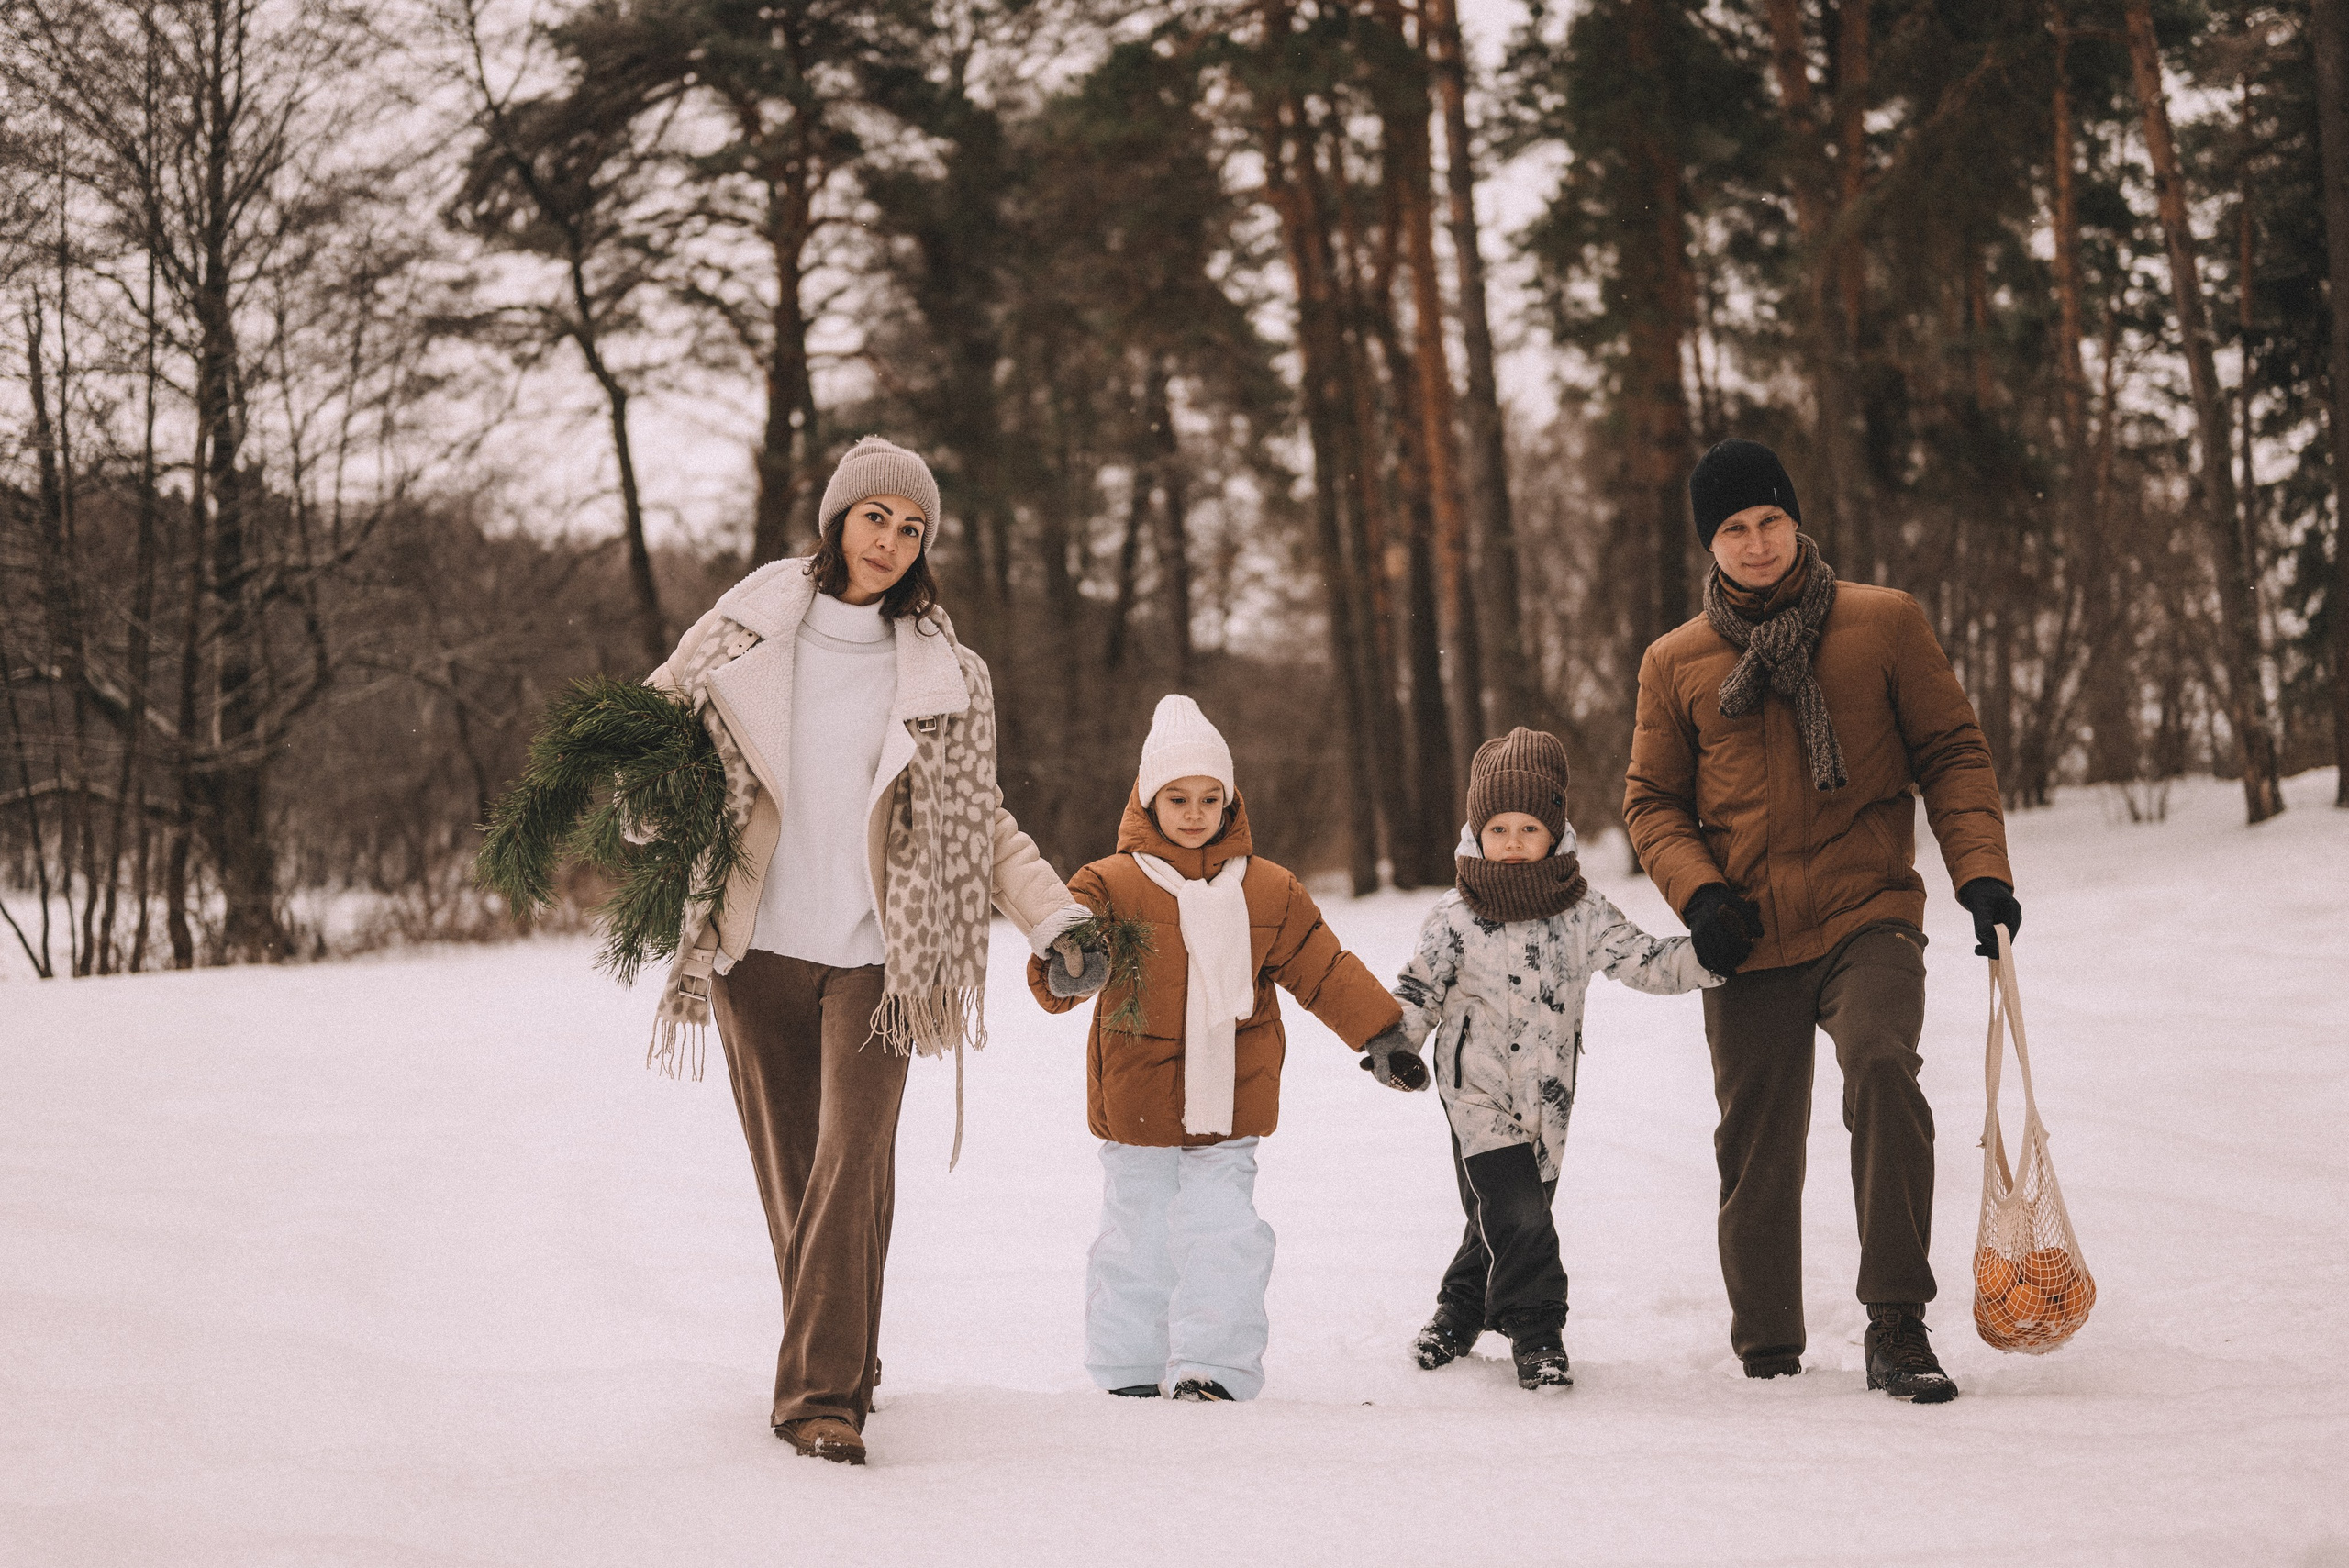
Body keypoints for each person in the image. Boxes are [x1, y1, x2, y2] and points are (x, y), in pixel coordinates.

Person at [640, 436, 1105, 1464]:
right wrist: (634, 807)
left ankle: (818, 1398)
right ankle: (847, 1355)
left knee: (851, 1166)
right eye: (875, 518)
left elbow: (978, 816)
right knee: (798, 1174)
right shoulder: (744, 628)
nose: (891, 541)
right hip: (753, 942)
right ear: (837, 520)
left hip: (883, 958)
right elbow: (652, 735)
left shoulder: (947, 671)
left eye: (912, 528)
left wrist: (1052, 914)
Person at [1622, 437, 2022, 1404]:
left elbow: (1952, 752)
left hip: (1865, 908)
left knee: (1881, 1064)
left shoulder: (1882, 623)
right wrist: (1702, 896)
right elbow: (1651, 801)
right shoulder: (1674, 661)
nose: (1756, 543)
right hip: (1746, 930)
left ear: (1795, 521)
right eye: (1732, 529)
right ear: (1707, 545)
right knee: (1753, 1137)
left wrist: (1980, 873)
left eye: (1769, 521)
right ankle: (1767, 1350)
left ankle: (1896, 1321)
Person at [1027, 695, 1402, 1402]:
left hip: (1231, 1097)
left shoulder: (1269, 888)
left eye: (1209, 797)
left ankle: (1212, 1366)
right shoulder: (1110, 882)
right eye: (1177, 797)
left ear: (1231, 802)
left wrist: (1380, 1032)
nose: (1194, 812)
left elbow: (1323, 968)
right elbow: (1058, 952)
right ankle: (1130, 1366)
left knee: (1224, 1232)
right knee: (1136, 1236)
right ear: (1148, 798)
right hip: (1137, 1100)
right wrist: (1065, 966)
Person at [1366, 728, 1721, 1390]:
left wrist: (1710, 955)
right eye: (1497, 826)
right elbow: (1417, 989)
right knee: (1518, 1213)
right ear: (1477, 831)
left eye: (1529, 826)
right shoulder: (1455, 916)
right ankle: (1536, 1329)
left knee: (1500, 1215)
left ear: (1555, 832)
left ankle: (1459, 1307)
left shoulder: (1581, 913)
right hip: (1474, 1093)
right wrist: (1396, 1045)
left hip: (1549, 1102)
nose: (1512, 841)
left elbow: (1643, 959)